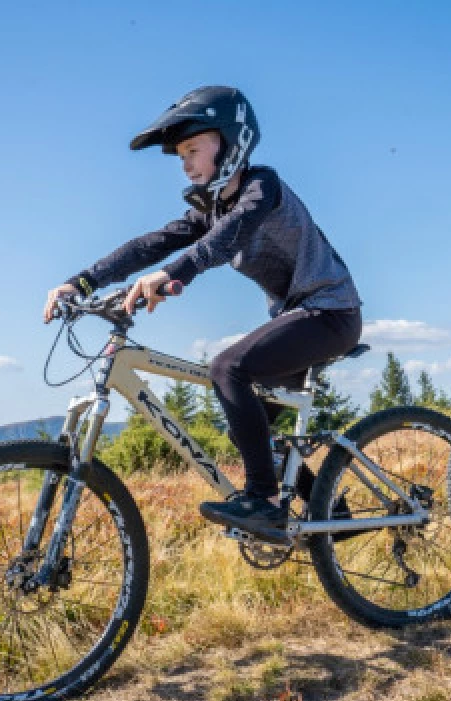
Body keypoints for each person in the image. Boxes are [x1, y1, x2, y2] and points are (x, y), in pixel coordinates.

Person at [42, 85, 362, 542]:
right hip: (295, 320)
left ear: (231, 146)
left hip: (330, 313)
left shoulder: (261, 187)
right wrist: (82, 281)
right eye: (180, 156)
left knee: (227, 368)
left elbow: (224, 240)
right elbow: (149, 244)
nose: (186, 162)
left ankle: (266, 504)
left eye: (194, 149)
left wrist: (173, 274)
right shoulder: (210, 209)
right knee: (246, 429)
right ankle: (332, 514)